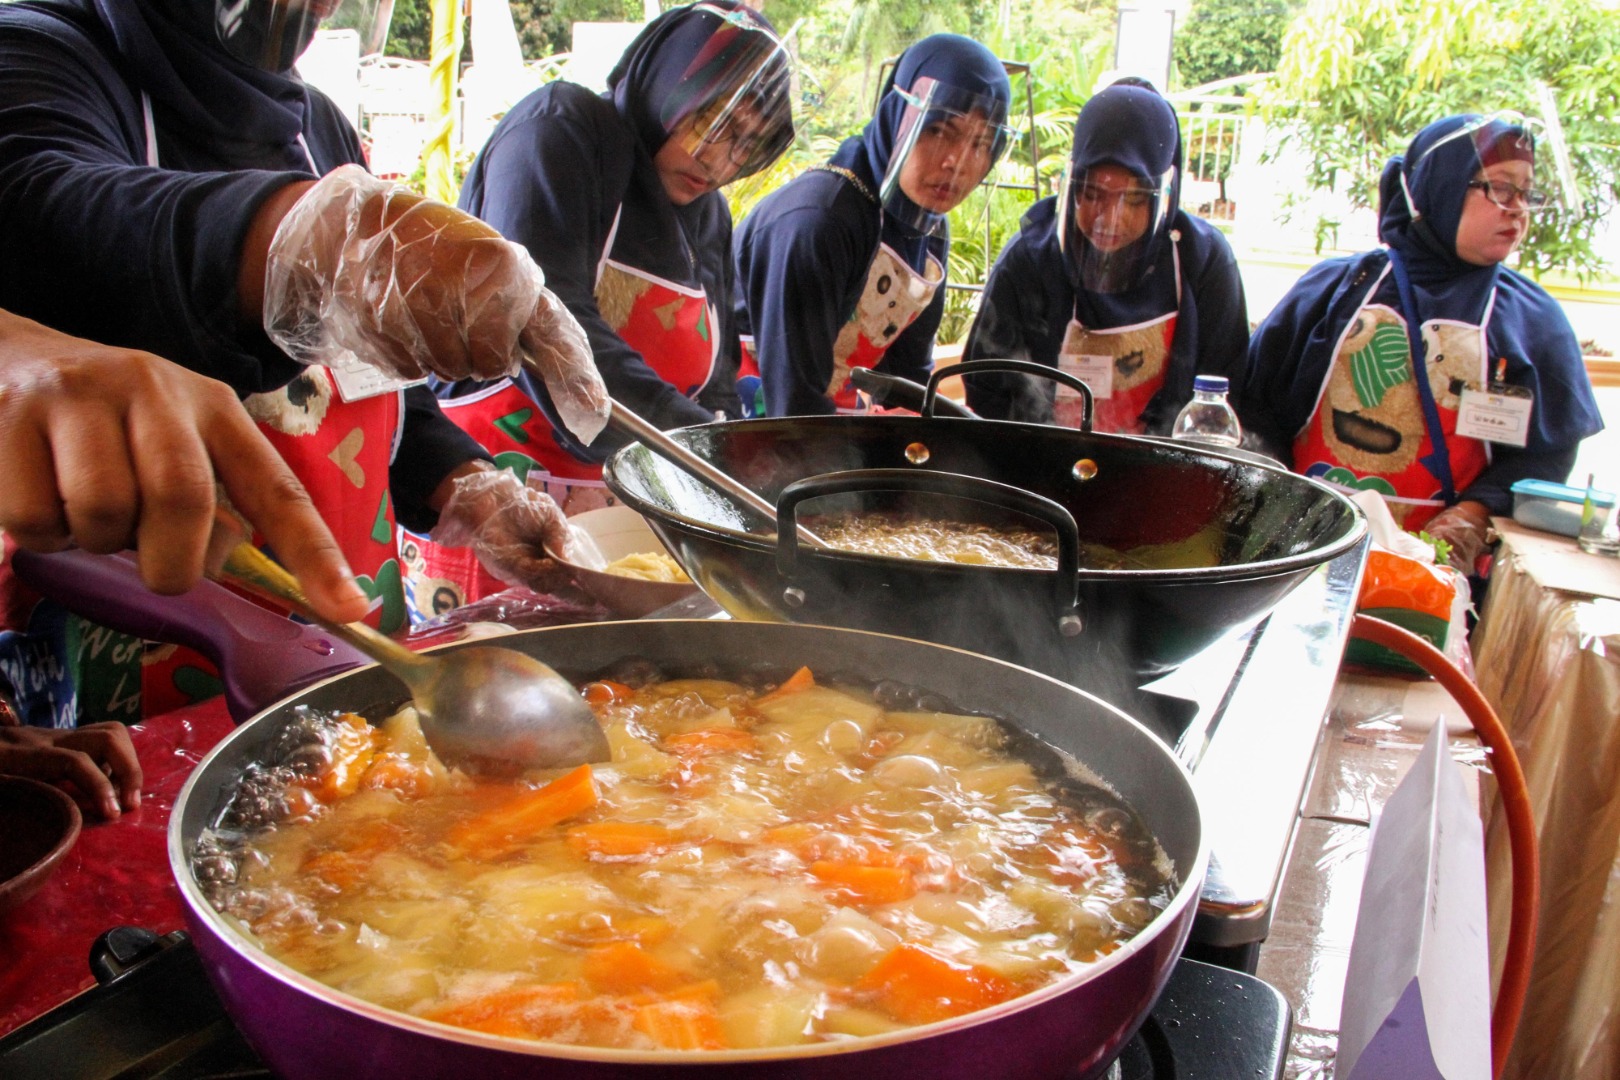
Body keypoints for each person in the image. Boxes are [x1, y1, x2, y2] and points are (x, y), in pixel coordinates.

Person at [0, 0, 597, 726]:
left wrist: (467, 487)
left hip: (354, 641)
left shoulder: (316, 126)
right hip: (129, 671)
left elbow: (379, 379)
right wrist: (292, 238)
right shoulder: (39, 49)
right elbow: (41, 216)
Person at [440, 0, 794, 507]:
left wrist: (730, 451)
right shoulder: (560, 133)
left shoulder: (709, 212)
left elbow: (718, 381)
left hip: (630, 493)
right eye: (709, 122)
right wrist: (697, 446)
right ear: (669, 83)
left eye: (746, 143)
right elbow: (542, 322)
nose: (717, 160)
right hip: (499, 487)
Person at [1239, 114, 1603, 574]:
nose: (1517, 208)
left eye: (1527, 191)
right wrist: (1285, 505)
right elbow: (1255, 405)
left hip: (1441, 572)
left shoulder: (1533, 321)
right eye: (1499, 187)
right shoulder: (1336, 291)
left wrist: (1470, 519)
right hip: (1304, 554)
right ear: (1440, 185)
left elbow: (1547, 454)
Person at [733, 33, 1012, 417]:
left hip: (830, 422)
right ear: (897, 114)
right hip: (751, 421)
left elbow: (907, 381)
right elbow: (793, 404)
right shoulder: (820, 220)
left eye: (980, 144)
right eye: (938, 131)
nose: (957, 162)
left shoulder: (930, 229)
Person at [960, 83, 1250, 435]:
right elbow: (985, 388)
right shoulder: (1029, 261)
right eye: (1091, 193)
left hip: (1161, 468)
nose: (1108, 218)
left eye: (1133, 200)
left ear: (1165, 198)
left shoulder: (1204, 263)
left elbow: (1223, 393)